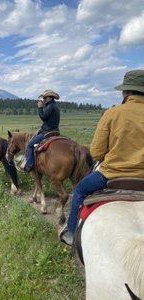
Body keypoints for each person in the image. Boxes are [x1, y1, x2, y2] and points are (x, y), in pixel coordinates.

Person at [59, 69, 144, 246]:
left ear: (125, 92)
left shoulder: (112, 113)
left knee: (80, 190)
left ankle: (72, 233)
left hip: (112, 175)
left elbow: (97, 153)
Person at [23, 89, 60, 172]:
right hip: (55, 130)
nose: (44, 100)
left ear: (50, 98)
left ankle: (29, 165)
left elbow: (43, 117)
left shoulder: (50, 107)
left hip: (47, 131)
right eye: (44, 98)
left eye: (45, 98)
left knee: (30, 145)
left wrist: (40, 108)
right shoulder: (54, 106)